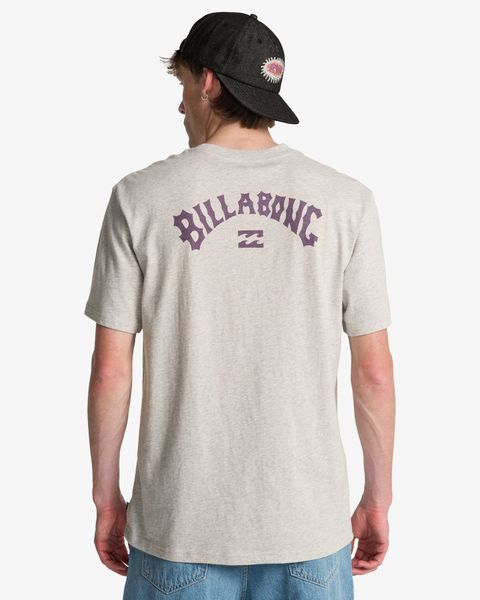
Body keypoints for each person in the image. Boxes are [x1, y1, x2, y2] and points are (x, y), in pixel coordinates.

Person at [84, 11, 395, 600]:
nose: (180, 106)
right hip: (309, 529)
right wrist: (377, 500)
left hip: (180, 530)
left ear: (207, 83)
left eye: (183, 86)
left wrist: (107, 498)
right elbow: (374, 372)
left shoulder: (138, 198)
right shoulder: (347, 201)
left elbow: (109, 369)